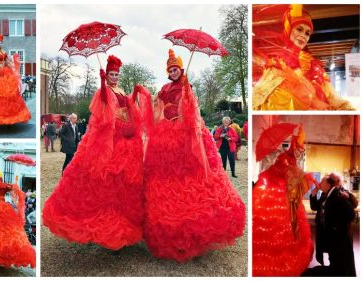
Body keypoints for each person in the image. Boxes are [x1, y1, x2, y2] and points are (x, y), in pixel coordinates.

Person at [137, 49, 245, 262]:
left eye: (176, 68)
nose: (174, 72)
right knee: (166, 181)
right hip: (166, 136)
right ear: (168, 71)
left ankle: (196, 231)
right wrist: (148, 96)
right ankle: (167, 230)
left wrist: (187, 94)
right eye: (171, 69)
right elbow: (155, 109)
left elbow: (192, 113)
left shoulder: (188, 87)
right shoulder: (165, 88)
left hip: (185, 135)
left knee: (192, 180)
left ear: (181, 70)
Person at [42, 55, 145, 251]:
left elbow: (127, 106)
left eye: (116, 74)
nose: (114, 77)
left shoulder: (121, 90)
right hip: (111, 141)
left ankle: (125, 226)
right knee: (105, 181)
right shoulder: (104, 90)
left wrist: (135, 94)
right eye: (111, 74)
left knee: (124, 184)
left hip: (126, 141)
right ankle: (103, 229)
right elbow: (106, 103)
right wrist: (101, 81)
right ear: (107, 75)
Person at [253, 5, 354, 110]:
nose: (303, 36)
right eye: (299, 29)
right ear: (289, 30)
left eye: (307, 33)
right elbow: (262, 99)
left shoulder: (314, 67)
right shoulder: (276, 64)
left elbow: (332, 97)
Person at [253, 124, 315, 276]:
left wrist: (297, 137)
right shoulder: (280, 159)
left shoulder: (286, 156)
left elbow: (294, 156)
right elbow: (287, 169)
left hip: (284, 189)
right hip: (278, 189)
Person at [313, 174, 356, 276]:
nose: (319, 184)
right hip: (331, 235)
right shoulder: (327, 194)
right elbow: (316, 207)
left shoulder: (339, 193)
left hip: (339, 236)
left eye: (322, 182)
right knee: (334, 258)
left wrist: (336, 227)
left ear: (330, 183)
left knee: (341, 262)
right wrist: (313, 194)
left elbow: (351, 213)